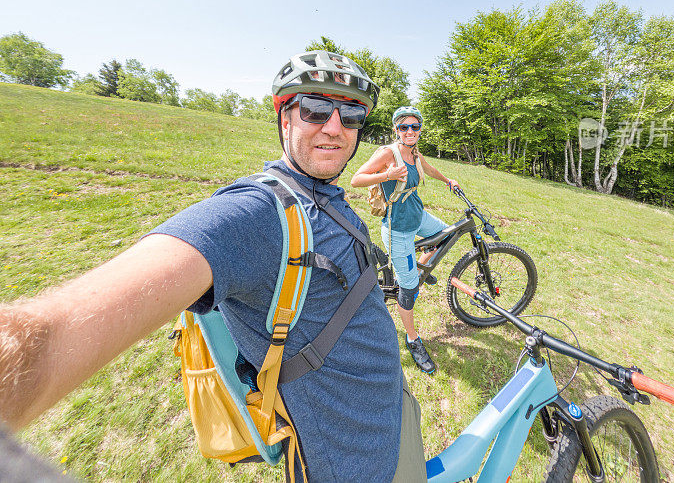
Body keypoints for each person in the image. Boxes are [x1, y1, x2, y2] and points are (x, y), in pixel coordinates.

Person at [0, 51, 426, 483]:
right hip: (356, 462)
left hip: (390, 416)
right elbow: (59, 331)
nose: (334, 126)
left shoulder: (323, 195)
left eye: (350, 113)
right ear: (284, 119)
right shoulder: (257, 213)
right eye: (314, 108)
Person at [350, 106, 458, 375]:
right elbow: (356, 179)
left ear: (420, 129)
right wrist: (387, 175)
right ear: (395, 129)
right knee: (408, 289)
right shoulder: (389, 152)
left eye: (415, 127)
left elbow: (427, 168)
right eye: (404, 127)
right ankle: (412, 339)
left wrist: (447, 180)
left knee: (447, 234)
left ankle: (419, 268)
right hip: (398, 227)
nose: (410, 131)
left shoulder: (414, 152)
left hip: (417, 215)